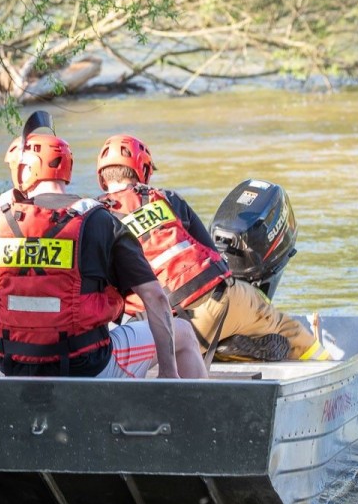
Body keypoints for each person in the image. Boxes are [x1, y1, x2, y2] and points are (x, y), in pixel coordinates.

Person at [0, 124, 207, 379]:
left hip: (14, 367)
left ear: (23, 172)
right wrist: (167, 375)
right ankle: (194, 418)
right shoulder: (102, 221)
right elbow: (155, 297)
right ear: (66, 170)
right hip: (88, 367)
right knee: (182, 332)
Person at [95, 134, 343, 363]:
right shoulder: (167, 198)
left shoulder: (98, 219)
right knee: (289, 331)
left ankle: (221, 349)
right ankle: (329, 369)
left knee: (157, 350)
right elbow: (215, 256)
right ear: (144, 170)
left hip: (169, 322)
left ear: (102, 179)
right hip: (225, 298)